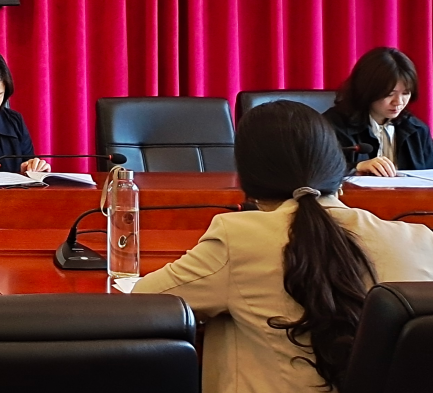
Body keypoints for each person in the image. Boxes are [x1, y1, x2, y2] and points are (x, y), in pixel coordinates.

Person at [134, 100, 433, 393]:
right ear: (336, 166)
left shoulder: (239, 238)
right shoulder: (419, 241)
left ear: (248, 179)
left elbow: (146, 303)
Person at [322, 46, 433, 175]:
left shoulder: (417, 131)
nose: (398, 102)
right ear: (367, 90)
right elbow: (317, 170)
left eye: (405, 93)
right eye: (390, 94)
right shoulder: (331, 126)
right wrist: (356, 167)